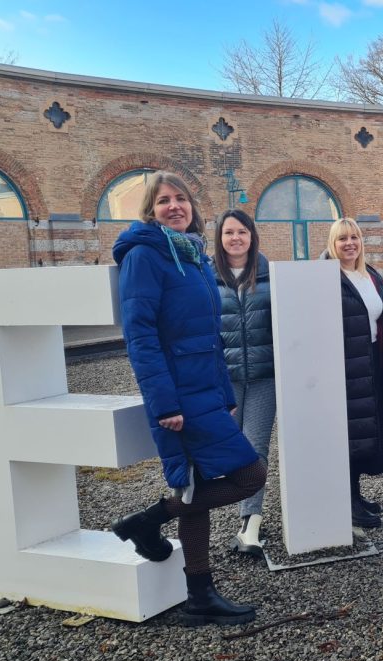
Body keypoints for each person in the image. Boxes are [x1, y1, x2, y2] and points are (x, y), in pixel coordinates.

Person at [110, 172, 266, 625]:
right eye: (163, 201)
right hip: (179, 395)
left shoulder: (191, 254)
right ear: (150, 211)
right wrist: (165, 405)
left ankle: (200, 595)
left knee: (195, 487)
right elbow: (140, 336)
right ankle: (149, 519)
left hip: (204, 392)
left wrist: (223, 395)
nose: (175, 206)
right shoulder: (144, 255)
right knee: (251, 474)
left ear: (193, 207)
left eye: (181, 199)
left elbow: (210, 337)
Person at [322, 217, 383, 530]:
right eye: (342, 239)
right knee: (349, 433)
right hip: (344, 366)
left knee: (366, 429)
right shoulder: (328, 278)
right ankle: (346, 500)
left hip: (370, 360)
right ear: (332, 244)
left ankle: (355, 493)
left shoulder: (370, 275)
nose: (349, 243)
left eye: (354, 237)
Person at [213, 209, 275, 558]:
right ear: (220, 239)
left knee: (255, 449)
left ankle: (251, 521)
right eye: (229, 233)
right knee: (227, 452)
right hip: (226, 380)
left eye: (242, 232)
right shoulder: (207, 278)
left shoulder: (269, 275)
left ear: (252, 237)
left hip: (265, 378)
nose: (236, 238)